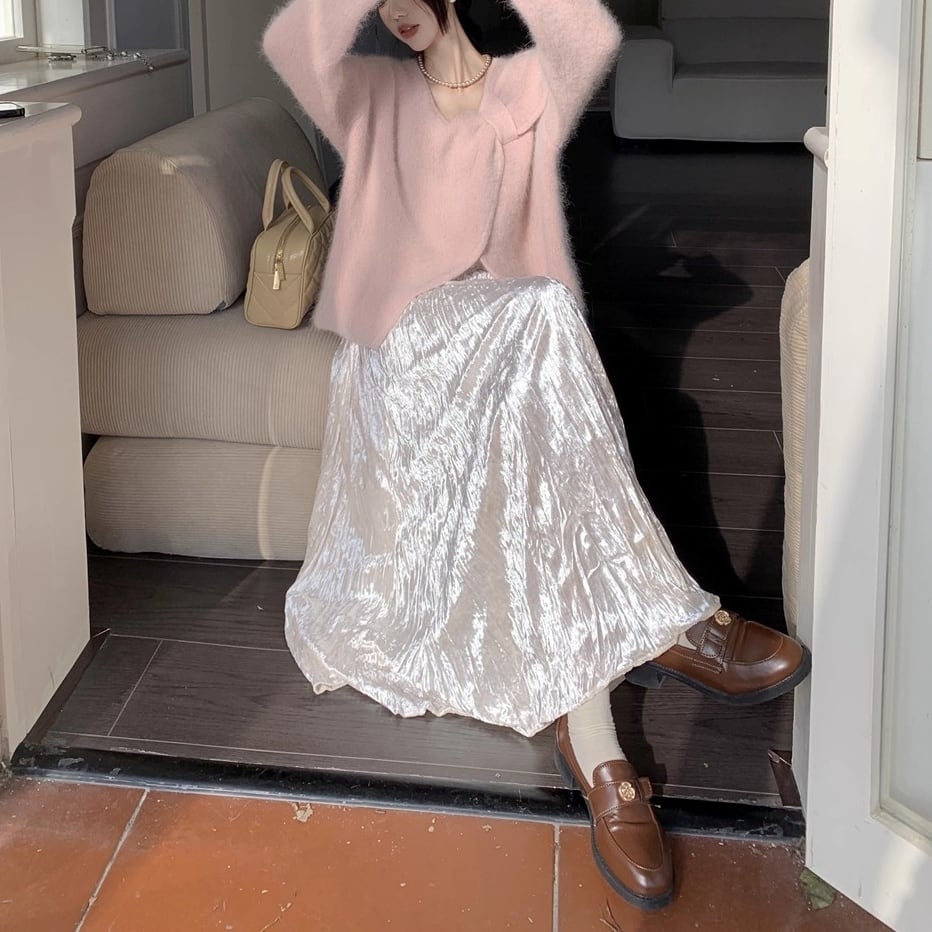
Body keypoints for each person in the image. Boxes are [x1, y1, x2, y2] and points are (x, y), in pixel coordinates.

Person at [262, 0, 811, 912]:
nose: (395, 10)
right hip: (396, 342)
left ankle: (595, 736)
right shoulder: (372, 92)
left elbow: (589, 35)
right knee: (542, 317)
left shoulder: (517, 86)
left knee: (541, 358)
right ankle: (667, 630)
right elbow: (293, 42)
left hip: (499, 331)